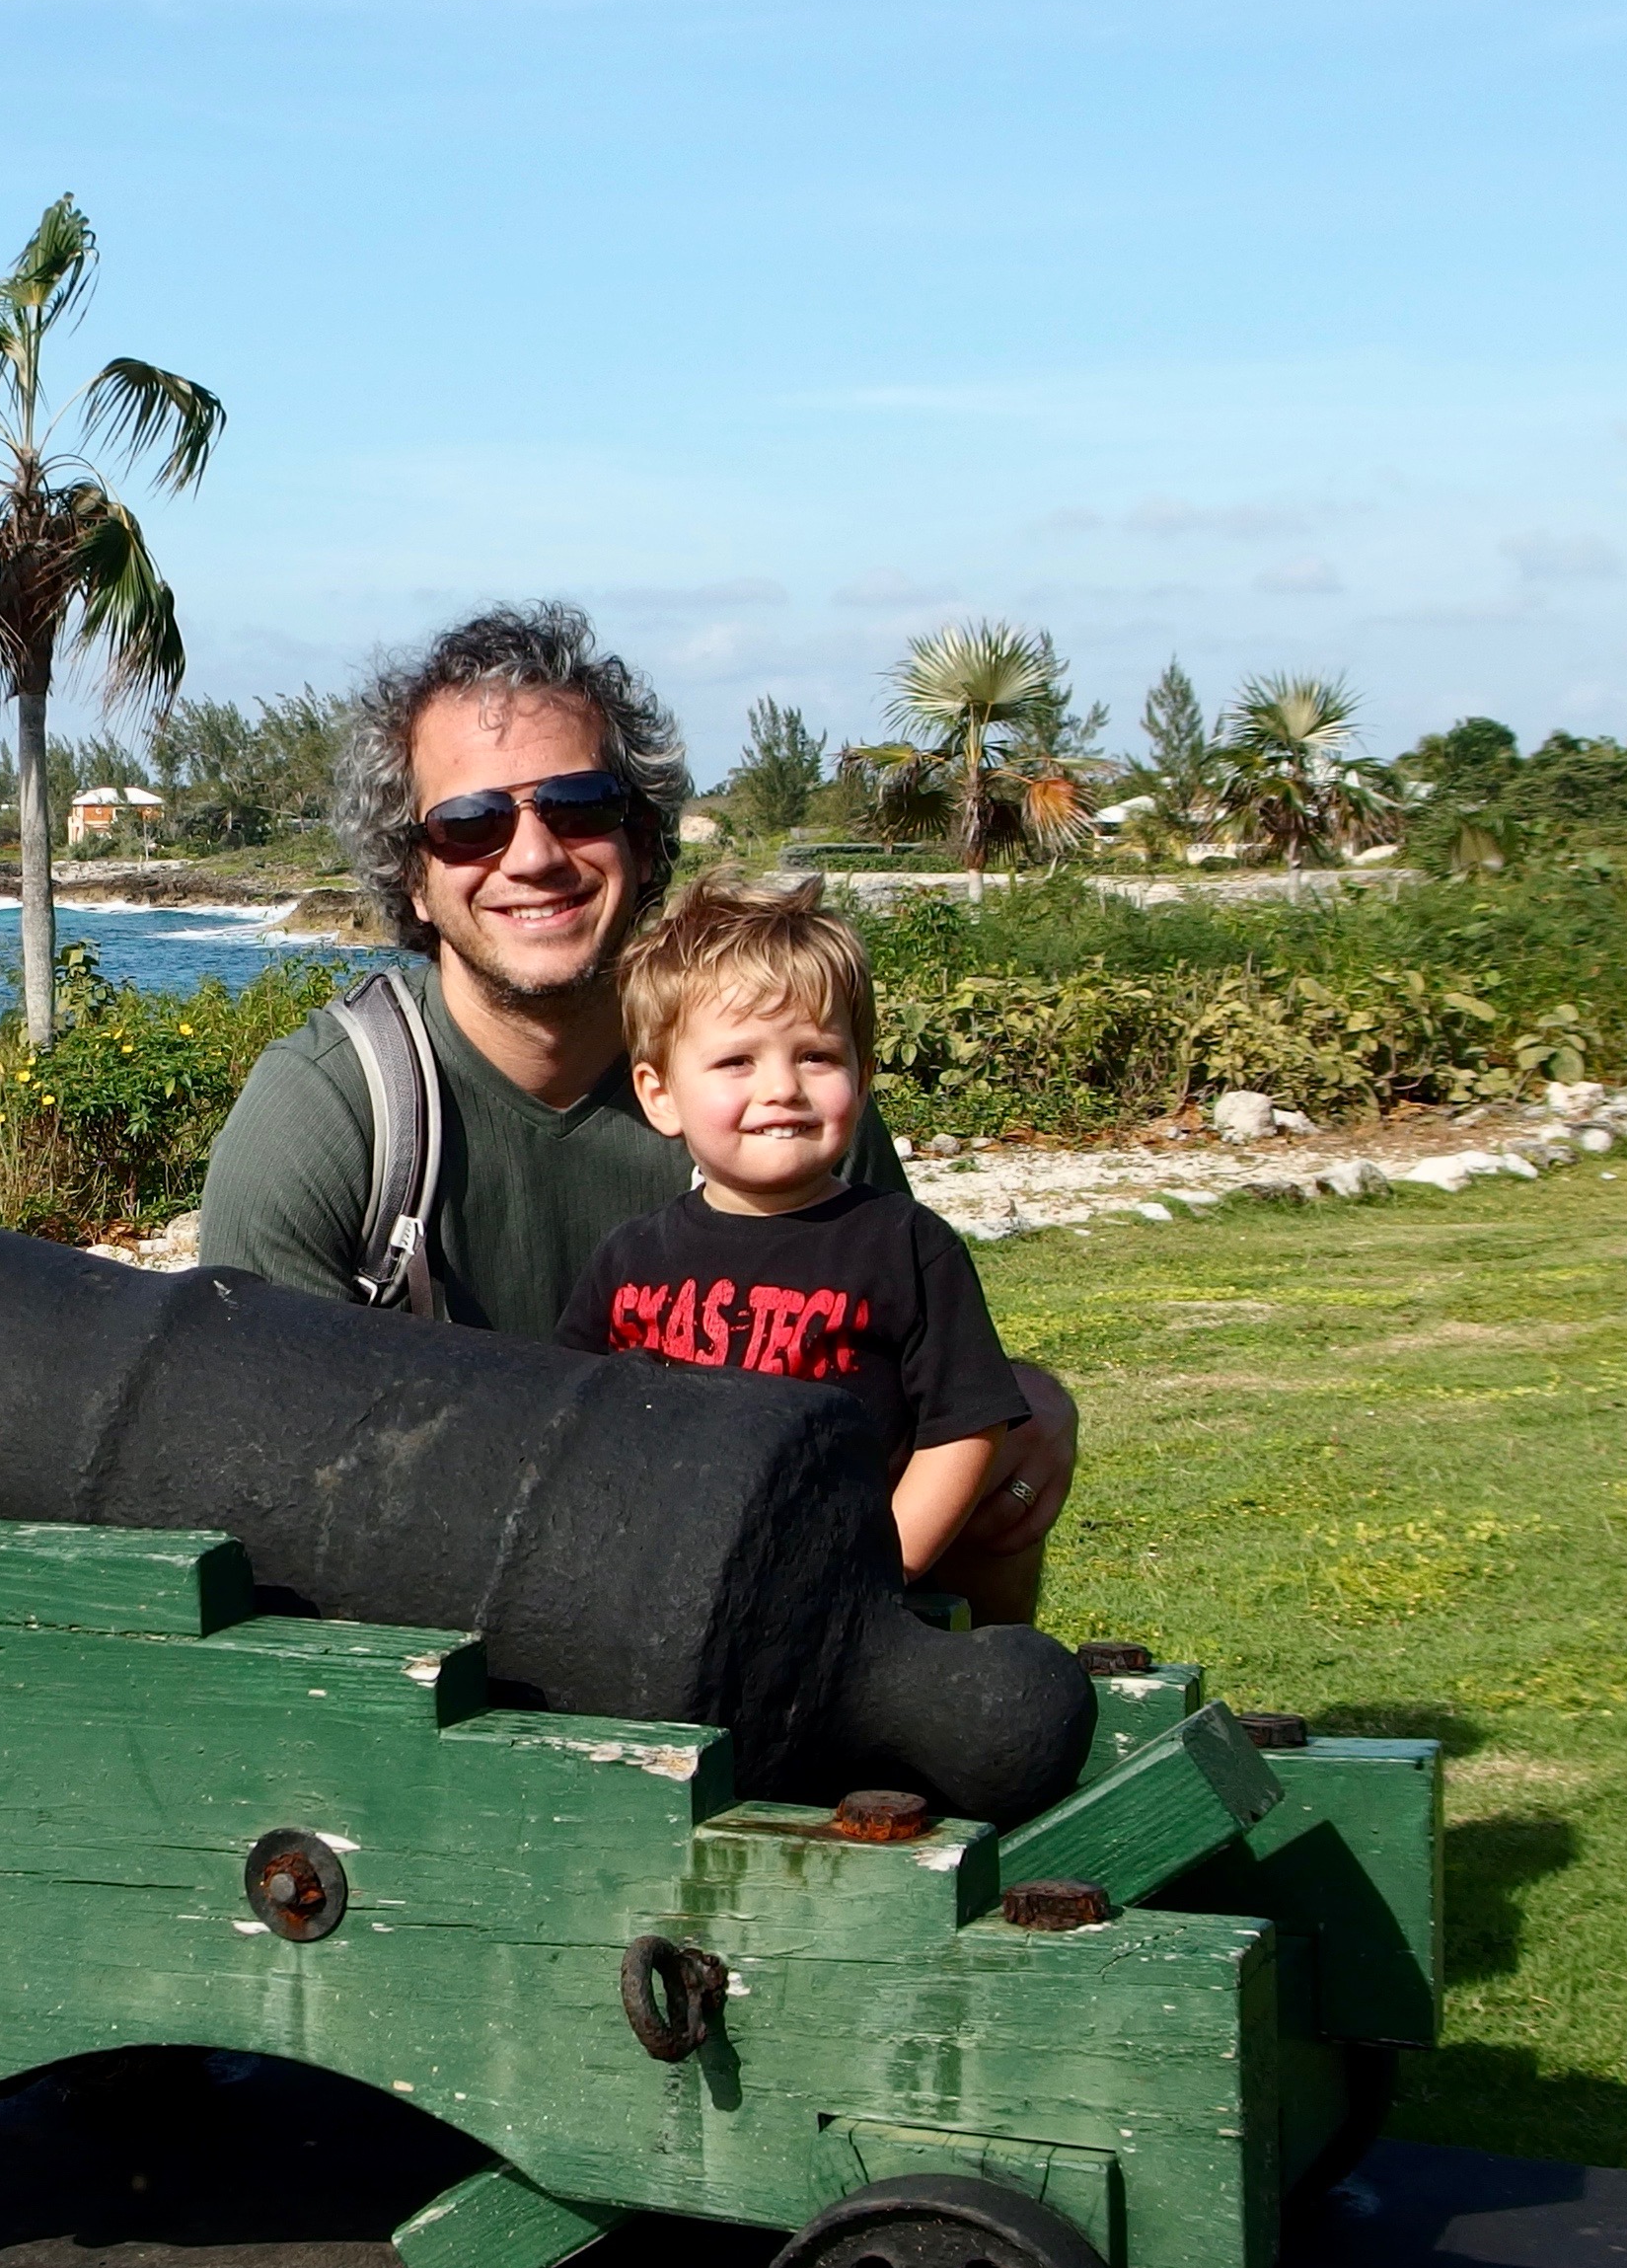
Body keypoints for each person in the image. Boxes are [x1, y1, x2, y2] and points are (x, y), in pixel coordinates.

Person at [196, 600, 1076, 1588]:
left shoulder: (774, 1094)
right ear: (411, 878)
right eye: (470, 824)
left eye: (577, 806)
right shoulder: (332, 1113)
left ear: (644, 840)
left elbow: (911, 1362)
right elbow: (272, 1459)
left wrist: (1015, 1406)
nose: (533, 856)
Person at [556, 876, 1037, 1614]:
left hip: (842, 1598)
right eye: (736, 1062)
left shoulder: (905, 1244)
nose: (782, 1087)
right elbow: (570, 1421)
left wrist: (888, 1562)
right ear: (660, 1095)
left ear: (862, 1077)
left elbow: (966, 1425)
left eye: (816, 1056)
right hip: (658, 1590)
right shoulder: (628, 1259)